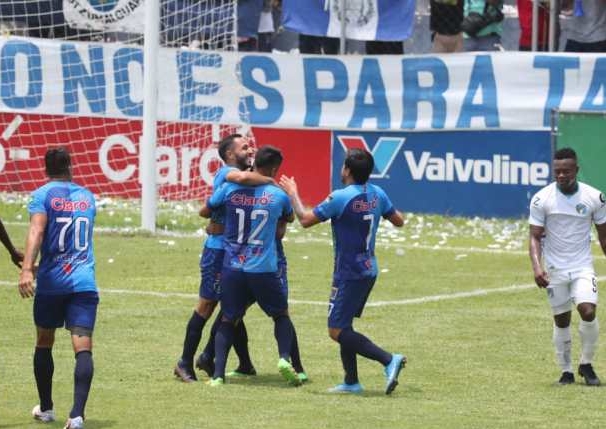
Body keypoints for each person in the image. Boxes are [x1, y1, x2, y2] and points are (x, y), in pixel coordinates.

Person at [279, 148, 406, 395]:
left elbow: (305, 219)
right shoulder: (378, 193)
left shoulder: (340, 197)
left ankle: (389, 359)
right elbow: (398, 220)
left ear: (347, 170)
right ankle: (351, 381)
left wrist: (293, 194)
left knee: (336, 330)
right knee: (344, 324)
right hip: (369, 268)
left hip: (349, 272)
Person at [174, 134, 273, 382]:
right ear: (229, 154)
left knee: (235, 306)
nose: (249, 149)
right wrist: (271, 178)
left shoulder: (251, 177)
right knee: (207, 305)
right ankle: (185, 362)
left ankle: (222, 358)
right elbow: (240, 177)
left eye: (250, 145)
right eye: (244, 147)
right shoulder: (226, 173)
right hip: (217, 250)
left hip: (237, 250)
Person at [203, 145, 302, 386]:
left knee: (228, 318)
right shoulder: (278, 195)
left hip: (233, 266)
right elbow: (288, 218)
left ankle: (217, 375)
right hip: (264, 267)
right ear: (275, 168)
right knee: (280, 315)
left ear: (253, 162)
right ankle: (284, 359)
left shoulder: (228, 188)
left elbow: (207, 210)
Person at [18, 148, 98, 429]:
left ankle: (48, 408)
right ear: (70, 166)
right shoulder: (87, 197)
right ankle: (76, 416)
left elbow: (39, 231)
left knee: (44, 341)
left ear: (45, 168)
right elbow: (73, 241)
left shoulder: (42, 195)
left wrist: (28, 268)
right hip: (84, 283)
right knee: (83, 347)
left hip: (52, 284)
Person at [529, 147, 606, 386]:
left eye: (566, 171)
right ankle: (566, 371)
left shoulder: (595, 197)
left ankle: (586, 364)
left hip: (582, 267)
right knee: (561, 319)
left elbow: (604, 236)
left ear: (577, 170)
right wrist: (536, 267)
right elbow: (534, 236)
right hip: (555, 270)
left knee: (588, 311)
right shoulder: (542, 199)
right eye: (557, 171)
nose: (561, 175)